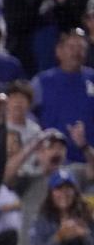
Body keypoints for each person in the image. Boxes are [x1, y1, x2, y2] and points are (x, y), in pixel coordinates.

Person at [32, 30, 94, 163]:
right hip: (52, 163)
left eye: (81, 48)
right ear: (59, 51)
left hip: (89, 162)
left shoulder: (92, 78)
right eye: (72, 47)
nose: (76, 52)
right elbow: (27, 114)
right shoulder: (42, 81)